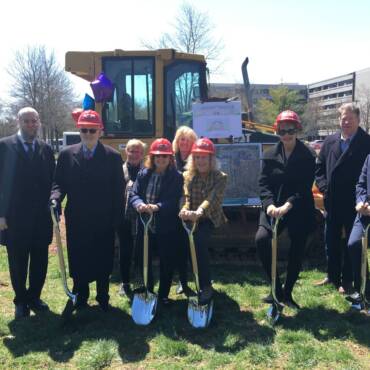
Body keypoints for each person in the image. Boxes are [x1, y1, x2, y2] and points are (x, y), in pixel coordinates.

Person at [50, 110, 124, 315]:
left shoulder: (113, 157)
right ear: (79, 130)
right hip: (78, 218)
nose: (88, 133)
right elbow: (59, 183)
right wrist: (55, 198)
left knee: (103, 258)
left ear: (100, 131)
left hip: (103, 219)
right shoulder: (66, 154)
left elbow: (119, 191)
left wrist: (117, 218)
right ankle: (80, 295)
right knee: (79, 257)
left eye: (92, 130)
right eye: (84, 130)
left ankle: (102, 297)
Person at [255, 110, 316, 309]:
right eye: (282, 130)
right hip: (273, 207)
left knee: (296, 250)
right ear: (277, 132)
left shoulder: (307, 155)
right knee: (262, 239)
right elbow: (263, 184)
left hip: (298, 207)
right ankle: (276, 289)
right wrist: (270, 205)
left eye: (290, 130)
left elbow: (304, 186)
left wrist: (288, 205)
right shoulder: (269, 154)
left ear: (297, 130)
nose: (287, 134)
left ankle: (288, 293)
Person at [0, 107, 55, 319]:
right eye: (26, 121)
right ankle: (20, 300)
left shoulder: (46, 148)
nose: (31, 125)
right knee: (18, 261)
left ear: (39, 122)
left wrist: (54, 207)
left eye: (34, 121)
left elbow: (52, 181)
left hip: (41, 217)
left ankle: (34, 297)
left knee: (40, 260)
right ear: (18, 122)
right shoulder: (4, 146)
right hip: (14, 217)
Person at [315, 103, 370, 293]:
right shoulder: (330, 141)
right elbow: (319, 167)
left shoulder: (366, 142)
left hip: (356, 202)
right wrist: (324, 188)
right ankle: (332, 276)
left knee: (350, 243)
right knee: (330, 239)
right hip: (332, 199)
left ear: (358, 119)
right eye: (343, 118)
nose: (345, 122)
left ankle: (347, 280)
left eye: (350, 118)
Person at [130, 138, 183, 305]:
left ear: (170, 159)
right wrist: (139, 204)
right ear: (152, 158)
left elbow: (174, 200)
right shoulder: (143, 174)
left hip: (165, 226)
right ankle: (147, 289)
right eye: (157, 157)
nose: (161, 160)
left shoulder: (176, 177)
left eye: (165, 157)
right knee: (142, 258)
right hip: (145, 225)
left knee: (166, 261)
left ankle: (164, 295)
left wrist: (158, 207)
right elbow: (134, 193)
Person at [179, 138, 227, 305]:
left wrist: (199, 212)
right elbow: (186, 196)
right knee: (181, 244)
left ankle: (205, 286)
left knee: (198, 243)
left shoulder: (220, 177)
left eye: (204, 157)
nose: (200, 161)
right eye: (197, 157)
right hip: (189, 216)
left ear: (211, 159)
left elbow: (212, 198)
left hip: (208, 217)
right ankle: (184, 282)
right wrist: (185, 209)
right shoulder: (187, 175)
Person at [118, 139, 146, 297]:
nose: (134, 154)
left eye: (138, 151)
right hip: (124, 217)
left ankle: (140, 279)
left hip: (142, 217)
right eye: (131, 151)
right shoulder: (119, 170)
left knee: (141, 250)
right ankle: (125, 281)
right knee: (125, 249)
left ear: (142, 154)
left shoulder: (148, 171)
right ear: (126, 152)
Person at [172, 126, 198, 295]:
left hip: (192, 207)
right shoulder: (171, 158)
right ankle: (182, 281)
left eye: (188, 140)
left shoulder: (196, 159)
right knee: (180, 247)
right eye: (182, 139)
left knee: (194, 246)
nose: (184, 143)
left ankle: (199, 279)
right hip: (174, 207)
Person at [346, 154, 370, 303]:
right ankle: (364, 290)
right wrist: (360, 202)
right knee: (354, 244)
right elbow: (361, 184)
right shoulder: (369, 158)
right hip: (365, 213)